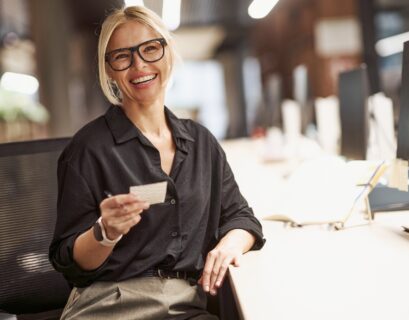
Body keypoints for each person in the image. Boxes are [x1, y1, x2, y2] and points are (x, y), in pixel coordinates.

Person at [49, 5, 265, 320]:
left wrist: (229, 246)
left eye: (150, 49)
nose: (139, 65)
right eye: (122, 56)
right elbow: (69, 262)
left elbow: (242, 218)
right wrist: (105, 232)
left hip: (184, 306)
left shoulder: (202, 143)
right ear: (109, 69)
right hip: (109, 306)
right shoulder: (87, 150)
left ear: (167, 53)